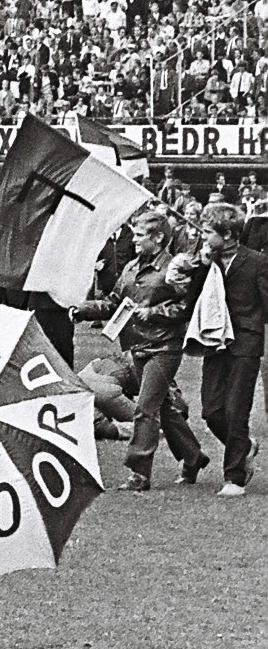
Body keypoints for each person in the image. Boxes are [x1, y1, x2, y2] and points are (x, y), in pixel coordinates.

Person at [72, 207, 207, 490]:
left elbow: (188, 307)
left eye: (140, 235)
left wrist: (155, 312)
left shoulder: (175, 268)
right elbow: (113, 303)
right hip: (137, 347)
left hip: (164, 347)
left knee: (145, 409)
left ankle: (139, 473)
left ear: (158, 238)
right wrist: (81, 310)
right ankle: (194, 458)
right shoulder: (131, 268)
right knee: (166, 409)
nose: (134, 240)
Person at [192, 202, 267, 496]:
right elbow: (193, 300)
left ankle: (234, 477)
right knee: (211, 410)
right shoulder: (206, 260)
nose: (203, 236)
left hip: (245, 342)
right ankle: (245, 447)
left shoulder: (258, 261)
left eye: (209, 231)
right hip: (215, 341)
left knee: (237, 410)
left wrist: (253, 325)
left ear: (227, 233)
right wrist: (201, 266)